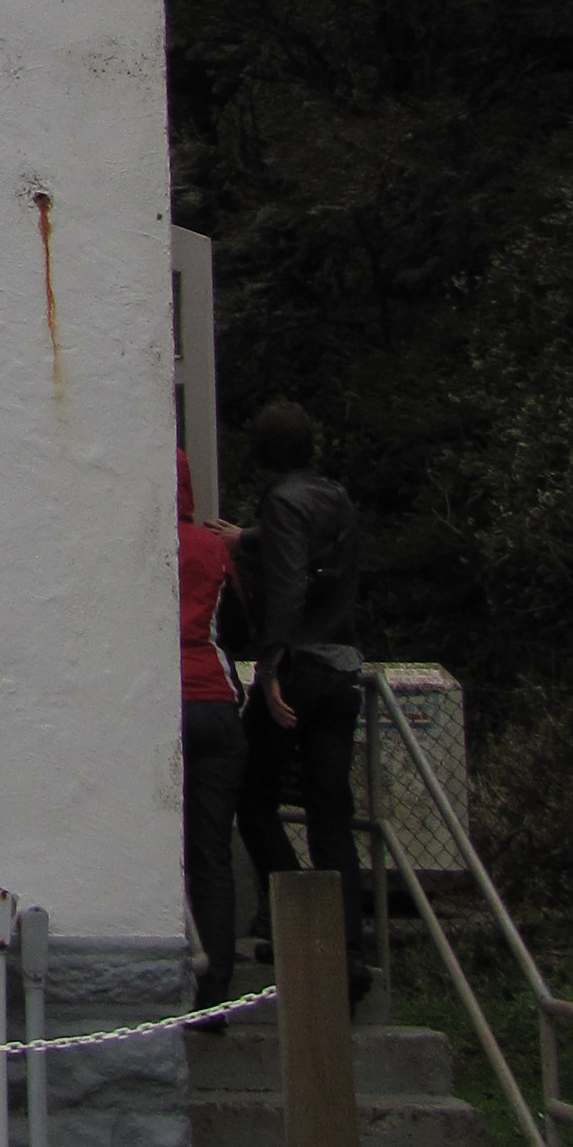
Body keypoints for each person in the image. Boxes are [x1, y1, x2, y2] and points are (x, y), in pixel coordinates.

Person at [233, 398, 371, 1003]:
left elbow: (289, 581)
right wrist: (248, 538)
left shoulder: (280, 501)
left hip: (299, 669)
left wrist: (269, 669)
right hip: (342, 668)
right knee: (330, 812)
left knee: (252, 797)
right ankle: (348, 951)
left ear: (262, 453)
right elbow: (308, 547)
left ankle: (298, 923)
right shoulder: (334, 496)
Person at [175, 453, 245, 1013]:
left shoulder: (134, 544)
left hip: (161, 703)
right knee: (211, 852)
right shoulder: (213, 547)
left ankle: (169, 971)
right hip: (216, 702)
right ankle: (216, 990)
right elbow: (239, 625)